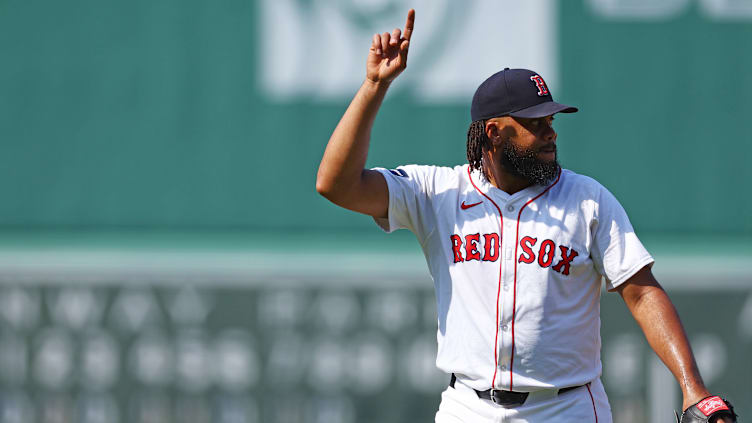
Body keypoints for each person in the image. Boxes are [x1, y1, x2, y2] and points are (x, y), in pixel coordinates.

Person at [316, 9, 735, 423]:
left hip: (566, 407)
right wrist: (373, 86)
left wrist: (692, 387)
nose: (551, 132)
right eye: (536, 123)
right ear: (494, 134)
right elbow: (337, 184)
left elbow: (642, 293)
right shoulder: (438, 193)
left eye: (551, 119)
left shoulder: (587, 200)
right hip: (468, 406)